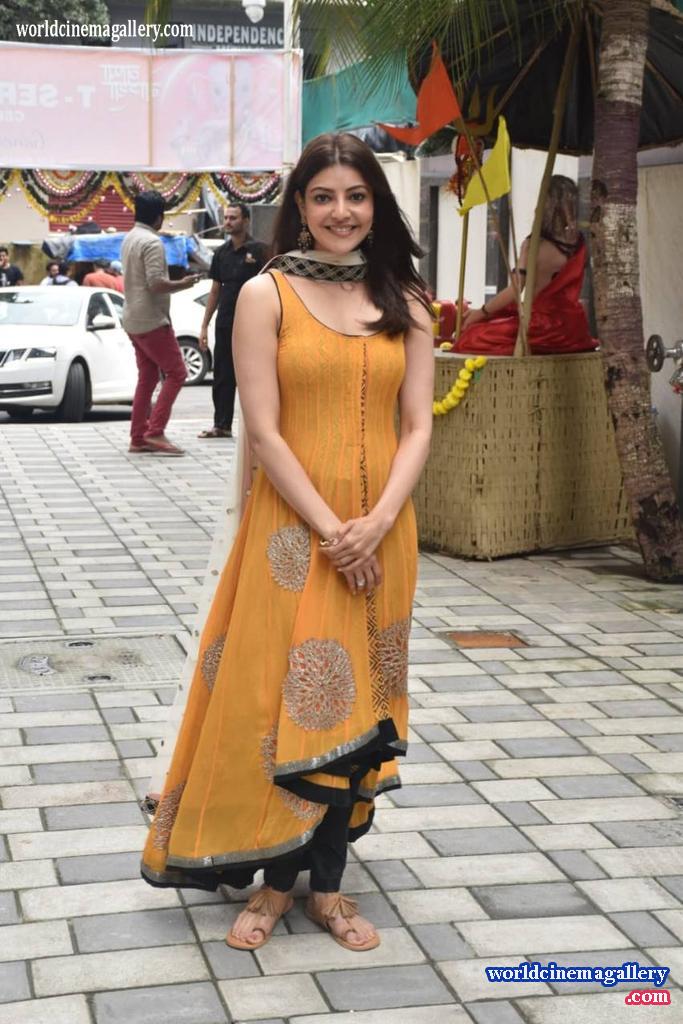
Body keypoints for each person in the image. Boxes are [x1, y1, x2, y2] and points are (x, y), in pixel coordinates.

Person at [140, 132, 434, 953]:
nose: (341, 212)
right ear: (300, 207)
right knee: (284, 703)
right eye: (323, 196)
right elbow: (263, 433)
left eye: (356, 196)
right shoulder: (266, 294)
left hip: (384, 536)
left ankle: (325, 890)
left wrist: (376, 523)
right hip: (293, 538)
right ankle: (273, 882)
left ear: (375, 205)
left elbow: (418, 425)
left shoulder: (406, 298)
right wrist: (336, 532)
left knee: (356, 710)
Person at [455, 175, 597, 356]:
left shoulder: (533, 246)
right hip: (575, 328)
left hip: (543, 327)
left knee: (471, 337)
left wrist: (480, 313)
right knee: (502, 315)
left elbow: (516, 289)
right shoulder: (579, 243)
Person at [121, 190, 201, 456]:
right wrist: (184, 283)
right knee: (177, 372)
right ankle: (155, 431)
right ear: (159, 217)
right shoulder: (152, 242)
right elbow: (156, 284)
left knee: (148, 377)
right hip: (151, 319)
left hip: (132, 317)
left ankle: (138, 437)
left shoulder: (130, 237)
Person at [197, 204, 268, 439]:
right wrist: (204, 325)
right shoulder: (221, 253)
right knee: (223, 375)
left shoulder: (260, 251)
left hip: (254, 324)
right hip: (226, 322)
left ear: (246, 220)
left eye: (233, 218)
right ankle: (221, 424)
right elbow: (215, 290)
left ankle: (261, 426)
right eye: (226, 217)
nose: (228, 222)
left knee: (256, 375)